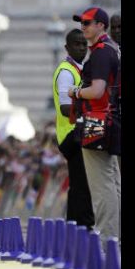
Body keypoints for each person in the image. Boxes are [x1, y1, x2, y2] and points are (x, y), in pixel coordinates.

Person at [68, 7, 121, 250]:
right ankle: (113, 237)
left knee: (101, 186)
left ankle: (106, 240)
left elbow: (97, 90)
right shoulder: (111, 49)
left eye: (88, 23)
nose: (83, 27)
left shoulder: (100, 53)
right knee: (111, 181)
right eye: (82, 23)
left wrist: (75, 91)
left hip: (97, 122)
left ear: (101, 25)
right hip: (108, 121)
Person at [52, 29, 95, 229]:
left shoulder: (79, 69)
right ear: (67, 47)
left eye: (84, 44)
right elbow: (64, 106)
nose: (81, 48)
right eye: (76, 44)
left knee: (80, 184)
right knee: (82, 186)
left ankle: (74, 228)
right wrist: (91, 109)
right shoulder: (66, 72)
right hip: (72, 134)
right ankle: (83, 228)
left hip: (76, 133)